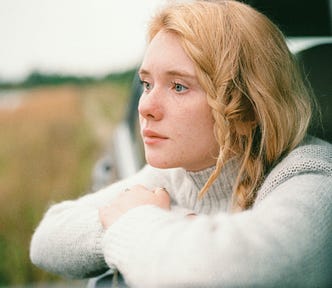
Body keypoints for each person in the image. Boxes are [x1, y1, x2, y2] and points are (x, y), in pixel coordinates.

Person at [30, 1, 332, 287]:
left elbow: (253, 266)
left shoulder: (313, 176)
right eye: (147, 84)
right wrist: (152, 221)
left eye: (178, 86)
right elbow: (48, 238)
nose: (145, 106)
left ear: (248, 109)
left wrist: (139, 220)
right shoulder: (178, 173)